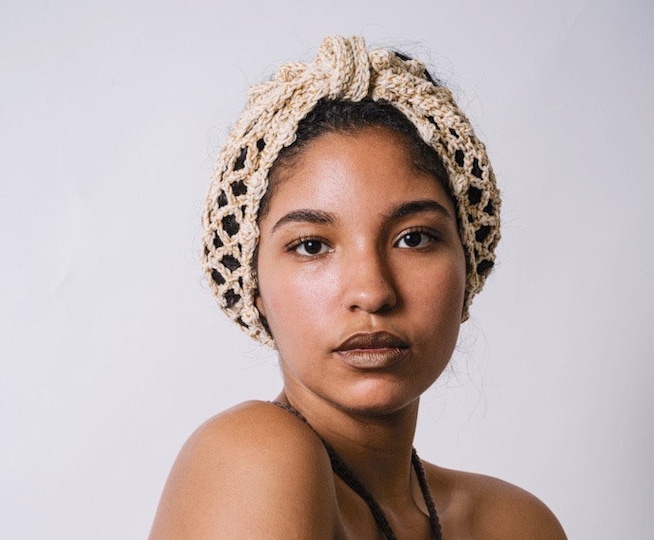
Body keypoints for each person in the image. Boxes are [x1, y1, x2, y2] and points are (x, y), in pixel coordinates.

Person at [149, 35, 567, 539]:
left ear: (469, 265)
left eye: (414, 238)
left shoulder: (517, 524)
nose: (372, 293)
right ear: (252, 286)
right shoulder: (253, 457)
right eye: (311, 246)